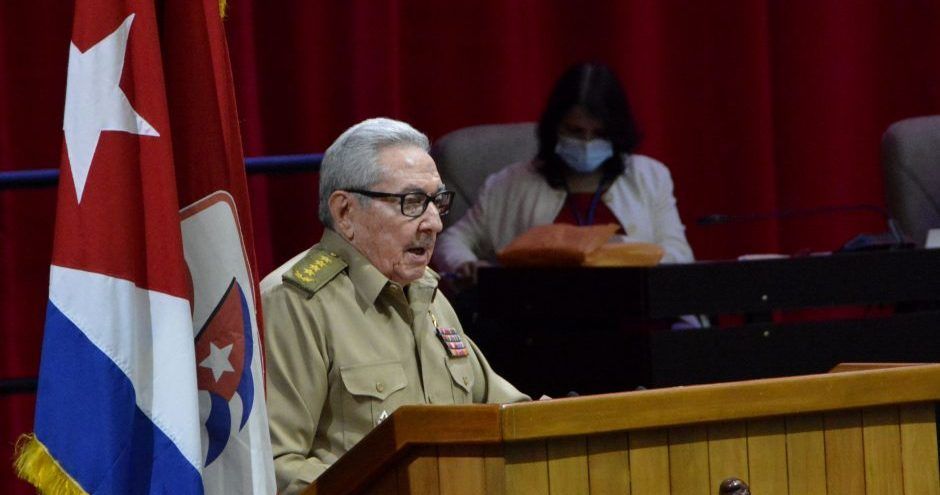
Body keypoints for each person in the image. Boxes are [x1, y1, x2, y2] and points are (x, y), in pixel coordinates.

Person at [261, 117, 529, 493]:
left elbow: (509, 416)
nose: (434, 222)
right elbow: (273, 467)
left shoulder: (429, 295)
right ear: (345, 213)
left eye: (437, 201)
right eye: (413, 202)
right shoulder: (294, 304)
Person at [433, 62, 694, 280]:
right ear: (555, 127)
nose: (587, 142)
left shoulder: (650, 176)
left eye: (600, 134)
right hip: (541, 325)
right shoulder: (509, 183)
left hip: (636, 320)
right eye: (575, 131)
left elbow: (680, 255)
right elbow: (451, 242)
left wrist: (621, 253)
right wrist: (466, 265)